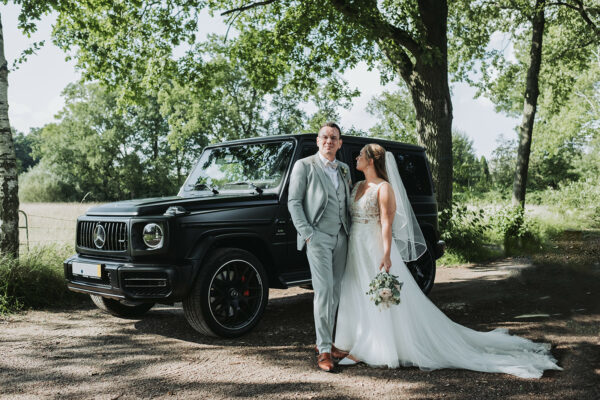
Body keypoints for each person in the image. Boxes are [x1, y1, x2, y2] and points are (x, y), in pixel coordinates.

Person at [334, 143, 563, 379]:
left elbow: (386, 224)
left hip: (375, 247)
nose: (356, 158)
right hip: (355, 246)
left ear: (371, 160)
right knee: (357, 289)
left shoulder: (384, 189)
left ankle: (374, 346)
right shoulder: (358, 185)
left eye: (360, 155)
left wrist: (386, 254)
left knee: (382, 296)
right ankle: (353, 339)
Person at [287, 122, 353, 372]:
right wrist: (308, 234)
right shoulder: (304, 166)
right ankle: (324, 349)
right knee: (324, 291)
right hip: (317, 237)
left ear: (340, 143)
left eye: (334, 138)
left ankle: (328, 342)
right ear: (317, 141)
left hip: (342, 237)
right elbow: (294, 202)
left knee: (335, 292)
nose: (329, 141)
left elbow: (345, 203)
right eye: (325, 137)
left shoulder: (345, 169)